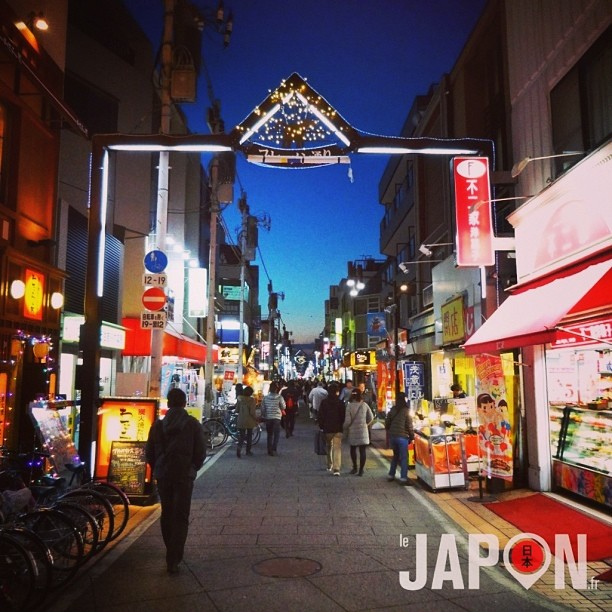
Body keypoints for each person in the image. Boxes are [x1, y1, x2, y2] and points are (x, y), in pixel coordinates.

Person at [145, 388, 206, 574]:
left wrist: (160, 467)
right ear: (184, 403)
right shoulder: (193, 424)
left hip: (164, 475)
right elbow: (200, 453)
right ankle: (174, 557)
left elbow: (149, 454)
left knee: (167, 512)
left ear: (169, 404)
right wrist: (191, 468)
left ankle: (170, 550)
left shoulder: (157, 426)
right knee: (181, 516)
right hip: (184, 476)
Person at [385, 392, 414, 485]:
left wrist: (390, 431)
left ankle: (391, 475)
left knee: (395, 456)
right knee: (404, 458)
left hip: (393, 436)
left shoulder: (392, 409)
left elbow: (387, 423)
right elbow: (409, 426)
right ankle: (403, 478)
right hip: (402, 437)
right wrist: (412, 436)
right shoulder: (406, 410)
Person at [343, 388, 374, 476]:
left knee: (353, 449)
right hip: (363, 430)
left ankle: (355, 468)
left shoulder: (349, 406)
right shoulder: (364, 405)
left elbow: (348, 421)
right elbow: (371, 417)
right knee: (362, 450)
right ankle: (361, 470)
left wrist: (344, 428)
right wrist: (365, 424)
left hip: (353, 431)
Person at [317, 382, 346, 476]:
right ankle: (336, 469)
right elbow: (343, 416)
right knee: (337, 448)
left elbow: (320, 415)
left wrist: (321, 426)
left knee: (329, 446)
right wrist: (342, 425)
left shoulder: (324, 402)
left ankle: (330, 464)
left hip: (327, 428)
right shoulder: (340, 403)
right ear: (337, 392)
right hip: (338, 428)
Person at [261, 381, 286, 456]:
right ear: (276, 389)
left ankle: (269, 450)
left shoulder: (265, 397)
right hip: (277, 418)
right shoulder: (279, 397)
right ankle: (274, 448)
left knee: (269, 434)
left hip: (268, 417)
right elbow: (283, 407)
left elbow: (263, 408)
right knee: (276, 434)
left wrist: (264, 415)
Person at [236, 385, 258, 458]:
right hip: (249, 420)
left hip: (241, 419)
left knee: (241, 436)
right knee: (249, 436)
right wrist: (256, 418)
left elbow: (237, 410)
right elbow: (252, 412)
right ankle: (248, 451)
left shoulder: (239, 399)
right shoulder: (252, 400)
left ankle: (239, 448)